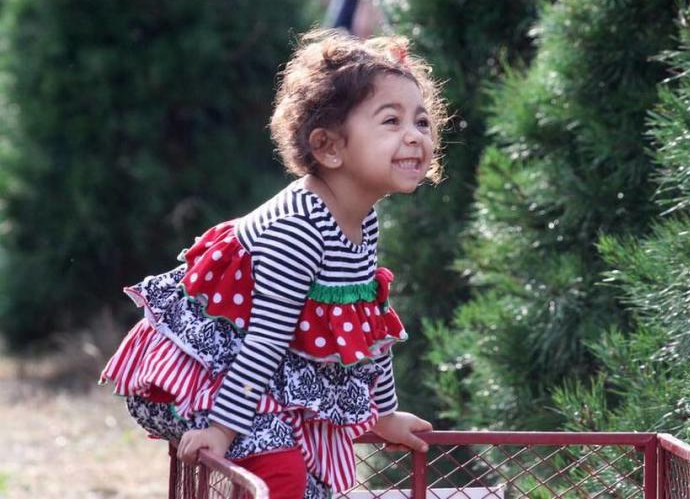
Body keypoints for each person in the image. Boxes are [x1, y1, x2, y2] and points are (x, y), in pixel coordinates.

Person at [100, 28, 445, 499]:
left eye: (421, 122)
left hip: (267, 379)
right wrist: (221, 431)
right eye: (391, 121)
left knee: (314, 487)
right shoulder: (297, 228)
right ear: (329, 147)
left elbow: (369, 323)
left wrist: (382, 414)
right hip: (201, 375)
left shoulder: (362, 218)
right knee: (279, 475)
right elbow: (264, 340)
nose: (414, 137)